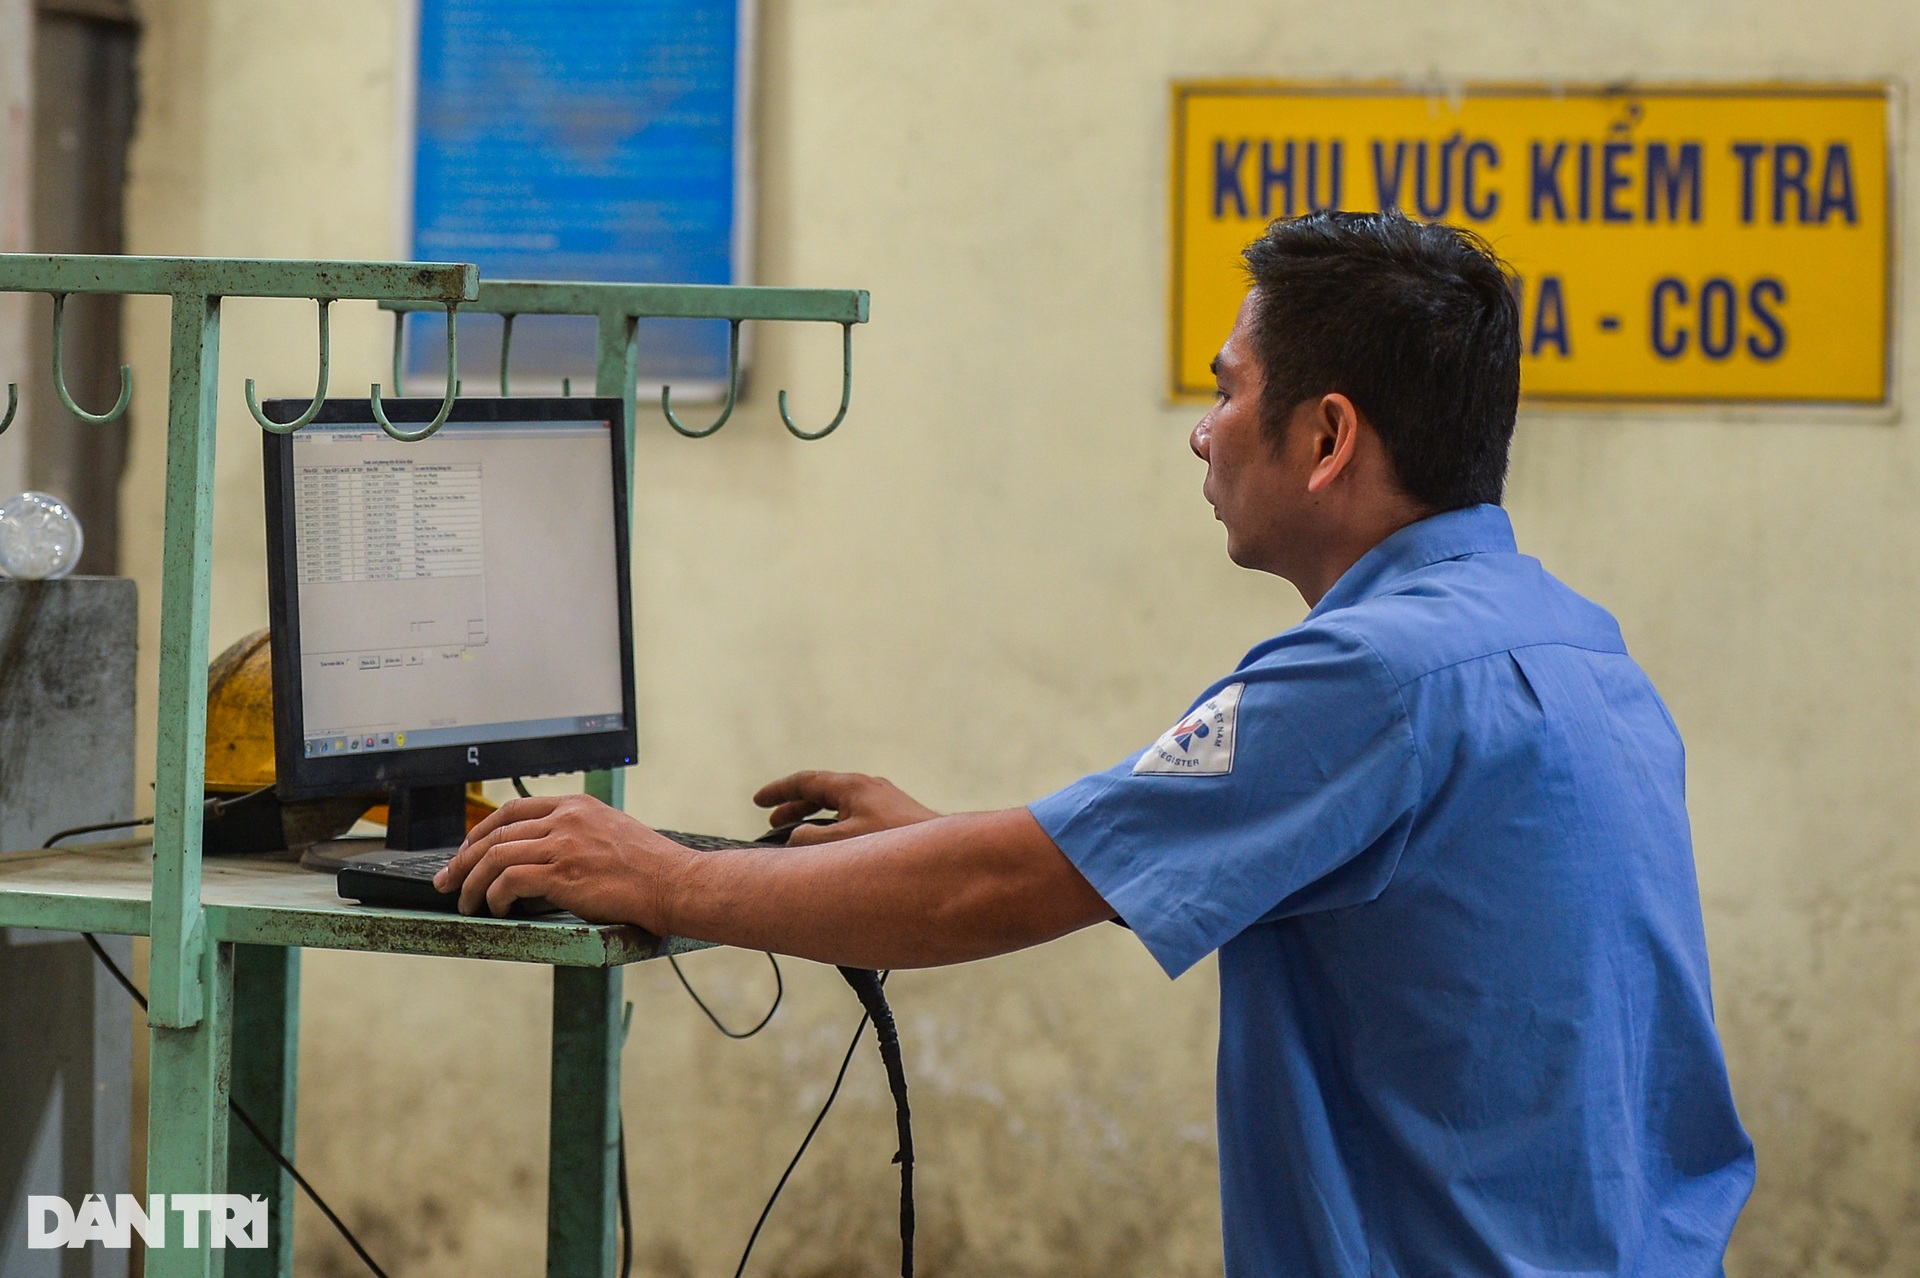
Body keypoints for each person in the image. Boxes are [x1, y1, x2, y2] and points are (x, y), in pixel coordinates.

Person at [438, 209, 1755, 1275]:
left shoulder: (1370, 672)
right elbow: (1146, 848)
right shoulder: (1569, 643)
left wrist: (668, 877)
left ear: (1326, 435)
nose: (1203, 426)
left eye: (1229, 390)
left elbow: (1014, 885)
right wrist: (954, 834)